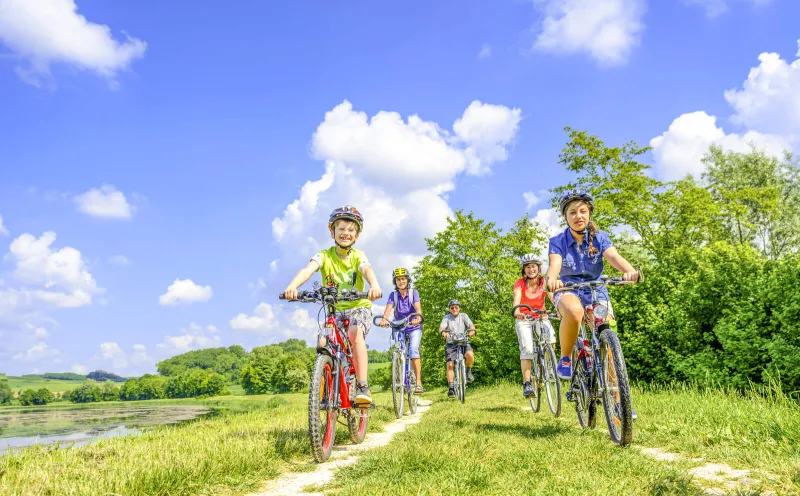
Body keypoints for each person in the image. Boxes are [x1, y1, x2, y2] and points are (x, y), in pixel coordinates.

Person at [545, 191, 639, 418]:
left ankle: (619, 404)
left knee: (608, 341)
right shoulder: (558, 242)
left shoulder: (600, 238)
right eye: (572, 212)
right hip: (566, 289)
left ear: (589, 214)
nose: (578, 216)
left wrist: (629, 271)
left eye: (583, 211)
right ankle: (566, 358)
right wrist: (552, 280)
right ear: (565, 217)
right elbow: (555, 265)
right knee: (575, 312)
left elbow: (613, 257)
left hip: (596, 289)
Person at [283, 205, 382, 407]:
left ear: (357, 235)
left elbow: (366, 269)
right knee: (322, 341)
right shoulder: (324, 255)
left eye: (351, 230)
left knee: (355, 335)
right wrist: (293, 286)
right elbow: (307, 270)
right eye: (341, 229)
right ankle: (324, 392)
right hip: (333, 309)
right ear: (332, 232)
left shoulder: (358, 256)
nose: (346, 233)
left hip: (358, 307)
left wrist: (374, 285)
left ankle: (362, 386)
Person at [512, 254, 557, 399]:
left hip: (541, 316)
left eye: (533, 266)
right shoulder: (520, 283)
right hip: (524, 318)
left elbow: (552, 296)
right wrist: (517, 311)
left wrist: (560, 309)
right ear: (524, 269)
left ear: (538, 268)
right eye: (527, 266)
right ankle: (527, 383)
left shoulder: (544, 281)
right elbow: (517, 298)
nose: (531, 269)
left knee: (550, 338)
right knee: (528, 349)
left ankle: (549, 368)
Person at [379, 268, 424, 394]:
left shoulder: (413, 293)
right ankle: (402, 380)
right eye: (398, 279)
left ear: (407, 280)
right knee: (400, 350)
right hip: (399, 326)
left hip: (413, 326)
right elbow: (388, 309)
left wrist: (417, 317)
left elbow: (418, 307)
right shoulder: (393, 295)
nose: (401, 281)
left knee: (413, 349)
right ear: (395, 282)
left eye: (403, 279)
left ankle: (418, 382)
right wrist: (384, 319)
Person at [439, 300, 476, 398]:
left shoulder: (464, 316)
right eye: (452, 308)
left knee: (470, 355)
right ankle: (451, 387)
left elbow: (471, 325)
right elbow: (442, 328)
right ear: (449, 309)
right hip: (451, 343)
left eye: (456, 307)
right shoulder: (446, 318)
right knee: (450, 364)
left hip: (464, 341)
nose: (454, 309)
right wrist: (444, 333)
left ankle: (468, 371)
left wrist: (472, 331)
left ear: (459, 308)